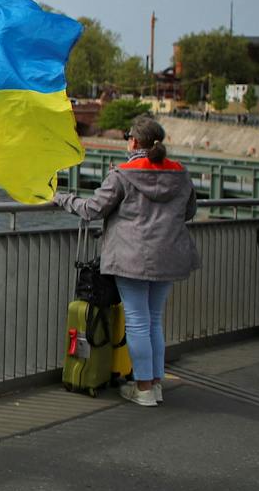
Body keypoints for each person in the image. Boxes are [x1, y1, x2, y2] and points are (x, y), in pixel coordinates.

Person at [53, 115, 198, 407]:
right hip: (168, 254)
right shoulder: (180, 173)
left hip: (132, 257)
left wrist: (61, 198)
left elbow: (93, 209)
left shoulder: (122, 174)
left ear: (133, 141)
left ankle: (143, 388)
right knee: (153, 320)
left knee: (137, 321)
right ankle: (154, 383)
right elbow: (189, 212)